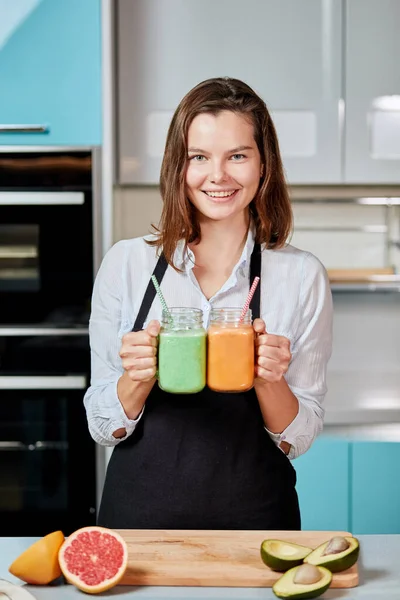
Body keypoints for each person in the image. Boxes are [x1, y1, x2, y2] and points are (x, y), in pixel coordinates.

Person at [84, 77, 333, 531]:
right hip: (139, 527)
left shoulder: (300, 275)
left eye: (237, 155)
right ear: (179, 167)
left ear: (264, 165)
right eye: (199, 157)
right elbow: (102, 427)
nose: (218, 176)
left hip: (256, 525)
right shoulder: (127, 263)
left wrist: (269, 379)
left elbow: (298, 438)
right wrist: (136, 378)